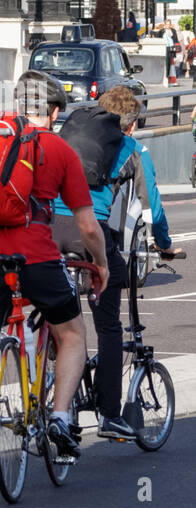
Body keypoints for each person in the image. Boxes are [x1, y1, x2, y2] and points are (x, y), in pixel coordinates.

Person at [0, 70, 108, 493]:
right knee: (71, 334)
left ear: (19, 105)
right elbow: (88, 226)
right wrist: (101, 265)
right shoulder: (57, 149)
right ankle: (60, 416)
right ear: (53, 111)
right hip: (34, 255)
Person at [50, 86, 173, 440]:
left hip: (48, 231)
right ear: (131, 125)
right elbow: (152, 210)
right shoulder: (133, 148)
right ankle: (108, 413)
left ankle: (57, 396)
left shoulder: (72, 134)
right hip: (88, 233)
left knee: (61, 316)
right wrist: (164, 245)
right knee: (108, 319)